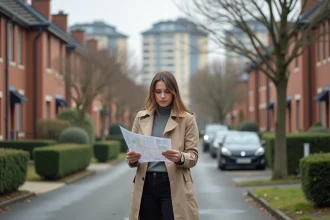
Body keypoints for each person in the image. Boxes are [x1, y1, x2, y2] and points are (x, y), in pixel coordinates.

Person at [126, 71, 200, 220]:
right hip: (145, 184)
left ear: (174, 93)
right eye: (158, 92)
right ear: (152, 93)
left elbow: (193, 157)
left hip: (174, 185)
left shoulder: (187, 119)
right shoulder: (141, 117)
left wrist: (180, 157)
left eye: (167, 91)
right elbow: (131, 155)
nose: (162, 96)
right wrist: (132, 158)